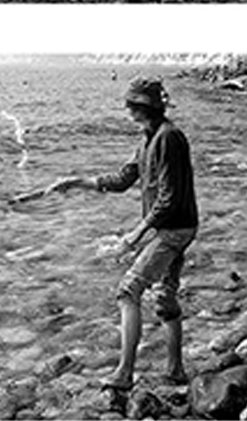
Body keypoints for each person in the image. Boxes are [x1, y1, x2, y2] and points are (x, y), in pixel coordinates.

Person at [44, 77, 197, 392]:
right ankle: (176, 371)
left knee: (128, 291)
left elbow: (168, 199)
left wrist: (134, 235)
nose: (126, 108)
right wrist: (75, 181)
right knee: (164, 298)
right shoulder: (147, 139)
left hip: (174, 229)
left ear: (143, 107)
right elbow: (123, 179)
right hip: (176, 226)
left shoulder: (169, 138)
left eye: (131, 104)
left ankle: (124, 374)